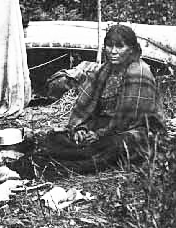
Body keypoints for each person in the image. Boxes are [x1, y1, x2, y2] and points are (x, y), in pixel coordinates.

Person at [39, 24, 164, 173]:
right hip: (104, 125)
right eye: (109, 46)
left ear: (131, 49)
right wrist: (82, 129)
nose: (113, 52)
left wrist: (99, 134)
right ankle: (76, 153)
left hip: (135, 129)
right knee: (55, 137)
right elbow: (90, 110)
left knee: (117, 144)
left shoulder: (139, 73)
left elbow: (129, 120)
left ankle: (72, 163)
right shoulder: (104, 71)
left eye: (119, 46)